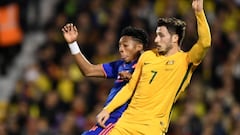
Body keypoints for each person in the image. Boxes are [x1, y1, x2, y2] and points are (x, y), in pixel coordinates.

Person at [96, 0, 211, 134]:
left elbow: (205, 43)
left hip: (151, 128)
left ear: (175, 38)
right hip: (126, 123)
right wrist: (107, 110)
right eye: (156, 35)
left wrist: (199, 13)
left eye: (161, 36)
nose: (156, 40)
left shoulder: (185, 61)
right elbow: (130, 88)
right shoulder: (148, 56)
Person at [62, 24, 148, 134]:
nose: (121, 49)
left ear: (139, 47)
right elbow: (89, 70)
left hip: (121, 122)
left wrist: (133, 78)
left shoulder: (148, 66)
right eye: (120, 45)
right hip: (109, 118)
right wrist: (72, 44)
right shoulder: (120, 65)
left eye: (125, 45)